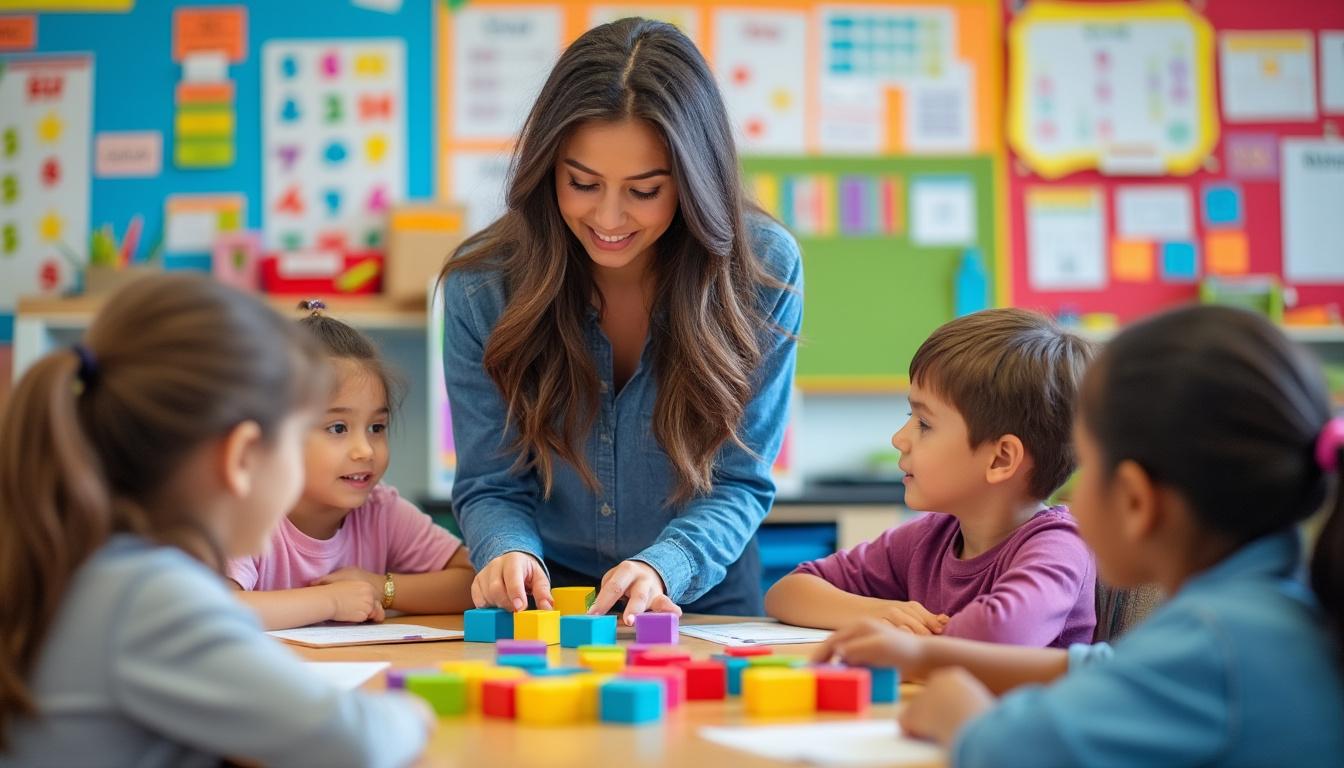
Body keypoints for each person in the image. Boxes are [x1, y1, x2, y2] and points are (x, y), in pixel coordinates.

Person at [815, 306, 1344, 766]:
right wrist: (926, 658)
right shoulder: (1268, 608)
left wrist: (959, 708)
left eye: (1086, 467)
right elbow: (1098, 667)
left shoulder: (1215, 643)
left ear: (1136, 500)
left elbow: (1013, 753)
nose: (1070, 492)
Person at [440, 17, 803, 621]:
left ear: (693, 180)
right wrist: (505, 552)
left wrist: (664, 566)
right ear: (547, 167)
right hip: (549, 594)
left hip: (699, 586)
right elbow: (491, 482)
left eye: (644, 190)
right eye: (582, 182)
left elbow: (740, 480)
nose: (609, 217)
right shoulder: (482, 285)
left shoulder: (760, 269)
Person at [0, 275, 431, 767]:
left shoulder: (103, 567)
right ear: (242, 457)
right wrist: (414, 712)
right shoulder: (150, 597)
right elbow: (358, 743)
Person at [767, 309, 1095, 648]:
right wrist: (879, 613)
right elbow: (789, 591)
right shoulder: (930, 537)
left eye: (924, 424)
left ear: (1000, 459)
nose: (899, 438)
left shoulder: (1058, 546)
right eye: (911, 415)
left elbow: (1000, 633)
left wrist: (910, 638)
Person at [229, 302, 475, 630]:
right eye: (338, 428)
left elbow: (473, 581)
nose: (365, 451)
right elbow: (219, 609)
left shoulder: (381, 511)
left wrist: (382, 588)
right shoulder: (247, 513)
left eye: (376, 428)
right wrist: (331, 600)